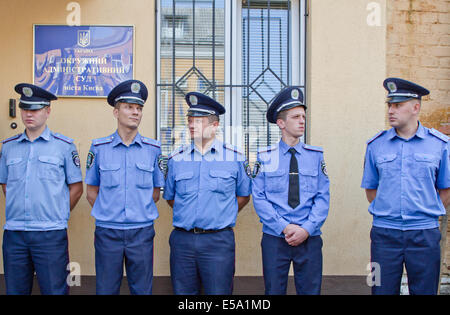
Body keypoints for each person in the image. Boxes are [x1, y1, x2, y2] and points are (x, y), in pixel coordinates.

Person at [361, 77, 450, 295]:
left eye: (398, 105)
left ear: (415, 107)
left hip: (424, 235)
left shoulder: (439, 145)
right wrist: (390, 211)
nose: (391, 110)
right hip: (384, 235)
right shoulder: (376, 145)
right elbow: (371, 190)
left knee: (425, 291)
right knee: (380, 289)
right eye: (390, 105)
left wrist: (424, 212)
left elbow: (446, 189)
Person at [163, 92, 252, 295]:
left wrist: (221, 212)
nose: (192, 125)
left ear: (214, 125)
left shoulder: (235, 158)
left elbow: (243, 195)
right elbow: (170, 197)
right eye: (190, 120)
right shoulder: (176, 159)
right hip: (183, 241)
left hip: (218, 241)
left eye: (199, 121)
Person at [0, 83, 83, 295]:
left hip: (50, 234)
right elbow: (5, 183)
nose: (29, 114)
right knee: (15, 291)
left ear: (47, 111)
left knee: (55, 291)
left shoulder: (64, 146)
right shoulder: (8, 147)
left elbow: (76, 187)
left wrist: (59, 213)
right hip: (15, 234)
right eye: (25, 108)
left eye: (35, 109)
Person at [85, 80, 165, 295]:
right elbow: (91, 191)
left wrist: (137, 211)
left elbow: (155, 192)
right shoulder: (99, 148)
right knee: (106, 288)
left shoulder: (153, 149)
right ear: (116, 111)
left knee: (142, 289)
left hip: (141, 232)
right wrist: (109, 212)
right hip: (107, 231)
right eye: (129, 107)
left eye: (139, 108)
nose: (135, 112)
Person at [252, 86, 330, 295]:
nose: (302, 121)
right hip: (276, 238)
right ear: (281, 123)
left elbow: (323, 197)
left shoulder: (316, 156)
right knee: (274, 291)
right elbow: (259, 198)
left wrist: (306, 229)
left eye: (303, 116)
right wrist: (284, 227)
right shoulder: (265, 157)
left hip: (309, 237)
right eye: (296, 117)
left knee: (310, 291)